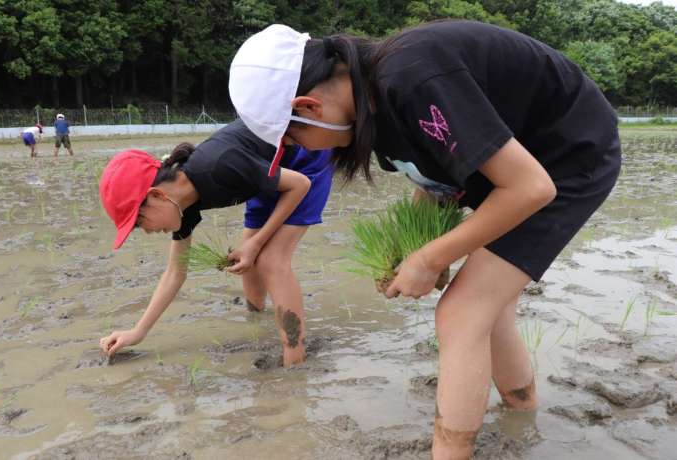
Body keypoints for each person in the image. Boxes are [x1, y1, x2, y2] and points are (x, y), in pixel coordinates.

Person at [229, 21, 621, 458]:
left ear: (309, 106)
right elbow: (434, 177)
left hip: (566, 157)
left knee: (460, 312)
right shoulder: (374, 100)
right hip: (517, 165)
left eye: (292, 137)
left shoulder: (411, 78)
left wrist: (431, 258)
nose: (306, 150)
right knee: (489, 304)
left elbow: (531, 188)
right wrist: (410, 251)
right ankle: (521, 408)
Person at [98, 120, 333, 368]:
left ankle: (294, 361)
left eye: (139, 222)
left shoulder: (218, 166)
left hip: (305, 159)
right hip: (262, 174)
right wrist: (138, 332)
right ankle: (259, 324)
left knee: (271, 261)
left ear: (157, 195)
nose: (145, 231)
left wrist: (257, 243)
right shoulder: (181, 204)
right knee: (250, 265)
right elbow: (175, 272)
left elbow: (299, 185)